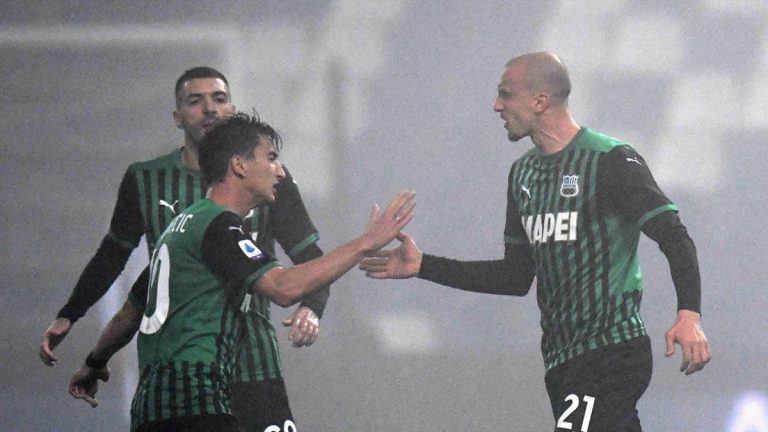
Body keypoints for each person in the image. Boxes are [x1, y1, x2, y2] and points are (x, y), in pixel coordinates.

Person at [359, 51, 711, 431]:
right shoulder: (523, 174)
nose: (497, 106)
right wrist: (423, 265)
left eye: (505, 94)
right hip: (562, 363)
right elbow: (514, 277)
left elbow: (674, 236)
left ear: (540, 100)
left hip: (611, 351)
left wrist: (688, 315)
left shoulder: (610, 160)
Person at [69, 112, 416, 431]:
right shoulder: (218, 227)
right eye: (270, 158)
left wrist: (95, 363)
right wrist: (364, 244)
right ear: (239, 165)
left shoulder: (179, 229)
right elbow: (282, 288)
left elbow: (129, 314)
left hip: (152, 408)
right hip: (195, 403)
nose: (280, 171)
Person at [40, 66, 331, 430]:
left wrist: (313, 308)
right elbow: (114, 258)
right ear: (177, 116)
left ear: (232, 109)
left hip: (252, 362)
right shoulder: (146, 179)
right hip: (185, 371)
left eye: (219, 99)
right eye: (196, 101)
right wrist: (72, 313)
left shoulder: (271, 181)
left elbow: (310, 259)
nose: (209, 109)